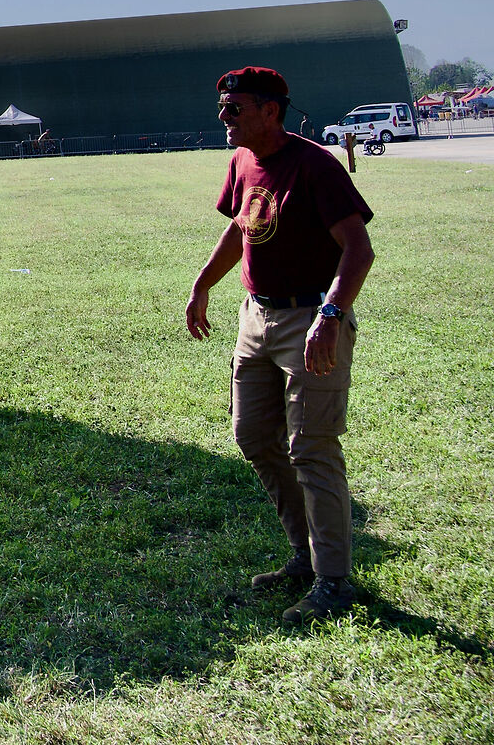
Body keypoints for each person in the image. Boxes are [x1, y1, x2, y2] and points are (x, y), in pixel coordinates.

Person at [184, 66, 376, 625]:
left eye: (236, 107)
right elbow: (240, 228)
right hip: (255, 316)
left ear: (272, 110)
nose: (224, 116)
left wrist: (332, 315)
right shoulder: (242, 160)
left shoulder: (314, 164)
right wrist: (203, 285)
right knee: (253, 435)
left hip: (310, 318)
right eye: (222, 106)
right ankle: (304, 555)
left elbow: (357, 249)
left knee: (312, 447)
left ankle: (334, 583)